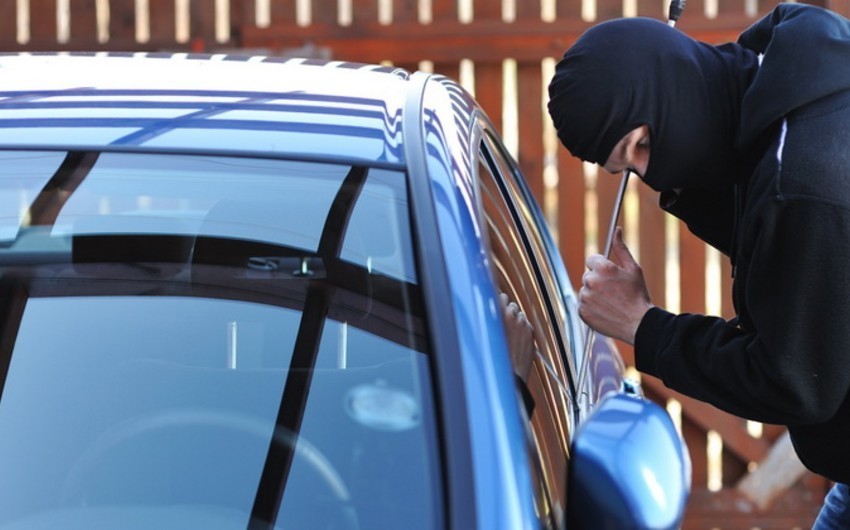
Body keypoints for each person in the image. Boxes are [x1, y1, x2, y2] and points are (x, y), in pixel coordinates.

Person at [546, 4, 850, 528]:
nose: (649, 172)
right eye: (628, 167)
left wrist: (644, 327)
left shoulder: (801, 185)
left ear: (670, 85)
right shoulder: (784, 75)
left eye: (642, 145)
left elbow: (794, 381)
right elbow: (786, 256)